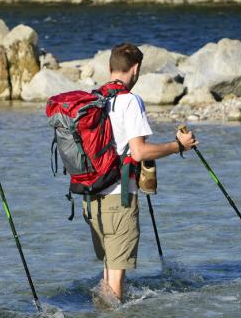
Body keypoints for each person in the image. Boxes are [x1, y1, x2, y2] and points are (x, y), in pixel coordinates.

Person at [85, 43, 198, 303]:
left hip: (91, 196)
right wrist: (178, 146)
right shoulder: (131, 101)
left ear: (109, 67)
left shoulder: (93, 99)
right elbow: (139, 152)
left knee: (107, 271)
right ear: (135, 69)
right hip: (118, 198)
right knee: (116, 279)